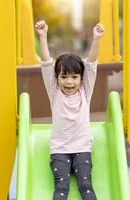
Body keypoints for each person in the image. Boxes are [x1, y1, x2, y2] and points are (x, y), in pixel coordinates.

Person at [34, 20, 105, 200]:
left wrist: (96, 39)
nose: (69, 82)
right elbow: (46, 63)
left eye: (74, 77)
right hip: (59, 149)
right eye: (64, 77)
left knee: (85, 185)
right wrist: (42, 37)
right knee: (61, 187)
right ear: (57, 78)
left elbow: (91, 64)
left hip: (82, 147)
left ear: (81, 78)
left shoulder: (85, 91)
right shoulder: (55, 93)